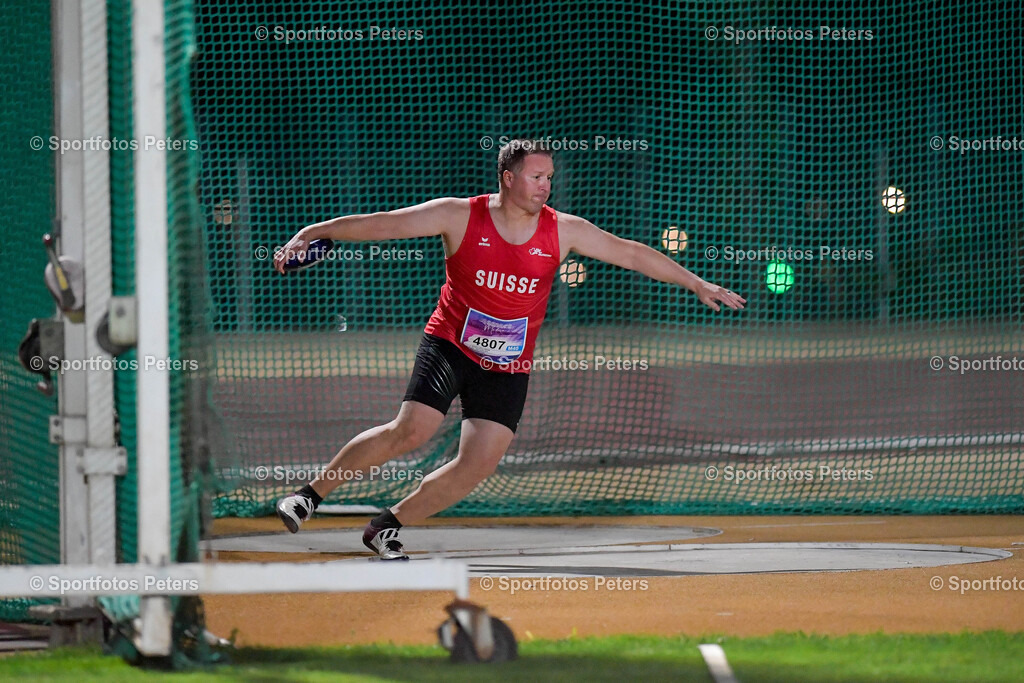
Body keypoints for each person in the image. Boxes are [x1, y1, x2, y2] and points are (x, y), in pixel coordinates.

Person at [273, 139, 745, 560]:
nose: (545, 186)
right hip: (451, 343)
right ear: (508, 177)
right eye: (537, 177)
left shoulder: (564, 230)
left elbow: (631, 251)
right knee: (412, 429)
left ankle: (386, 527)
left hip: (508, 362)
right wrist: (317, 231)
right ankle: (309, 497)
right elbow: (386, 225)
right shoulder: (461, 215)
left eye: (549, 178)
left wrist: (695, 282)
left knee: (480, 461)